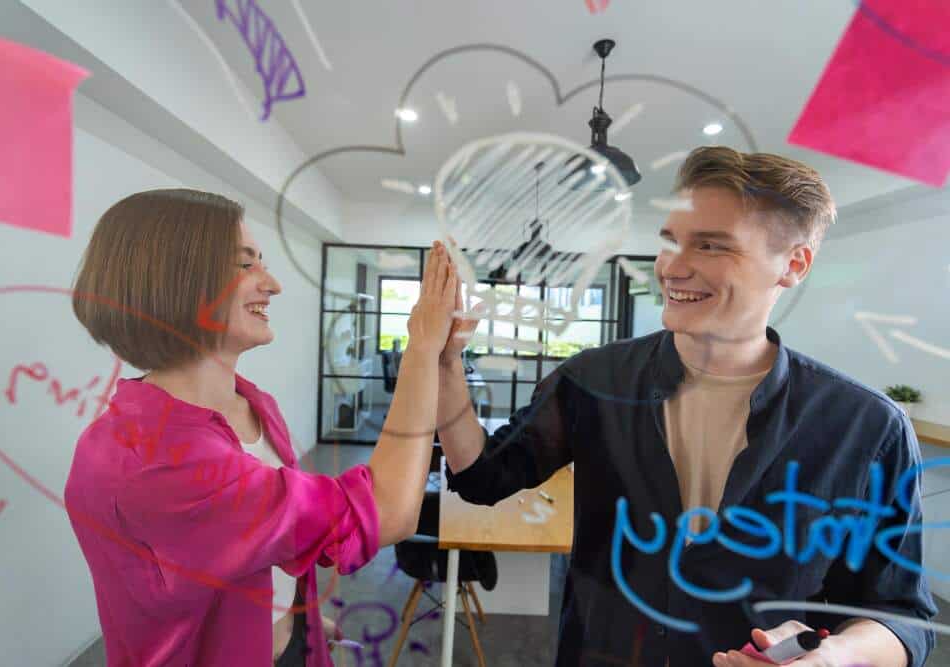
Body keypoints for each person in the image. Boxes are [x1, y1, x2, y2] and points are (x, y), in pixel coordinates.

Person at [435, 147, 937, 666]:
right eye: (671, 241)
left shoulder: (867, 428)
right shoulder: (591, 381)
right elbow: (480, 476)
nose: (673, 267)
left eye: (712, 246)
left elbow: (900, 615)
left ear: (793, 264)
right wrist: (446, 362)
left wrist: (834, 659)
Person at [64, 189, 459, 666]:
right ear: (177, 281)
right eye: (243, 264)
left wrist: (292, 619)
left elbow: (264, 543)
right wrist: (422, 349)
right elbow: (387, 511)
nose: (271, 284)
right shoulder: (159, 459)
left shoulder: (255, 406)